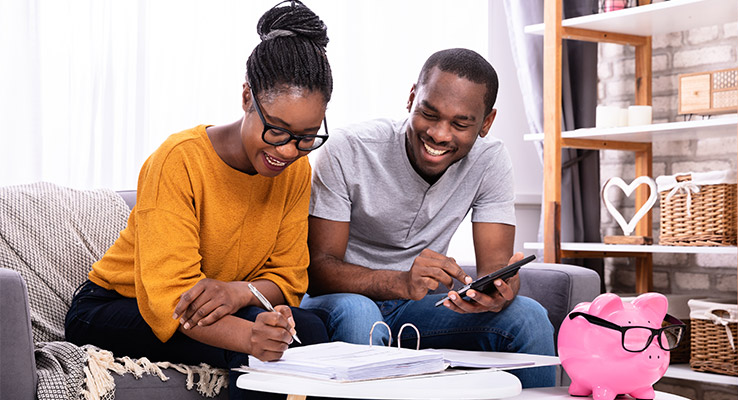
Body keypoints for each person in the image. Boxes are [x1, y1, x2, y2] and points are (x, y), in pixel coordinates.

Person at [64, 1, 333, 399]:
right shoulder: (179, 160)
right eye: (277, 130)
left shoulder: (295, 171)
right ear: (247, 98)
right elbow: (168, 301)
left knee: (311, 329)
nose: (290, 150)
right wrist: (250, 335)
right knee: (260, 349)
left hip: (222, 303)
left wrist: (237, 292)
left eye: (307, 137)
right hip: (117, 307)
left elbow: (291, 278)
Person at [301, 48, 556, 388]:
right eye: (429, 113)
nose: (438, 134)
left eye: (460, 123)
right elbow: (318, 270)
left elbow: (494, 270)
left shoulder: (490, 161)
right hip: (341, 301)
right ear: (411, 98)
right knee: (361, 314)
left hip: (416, 309)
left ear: (486, 123)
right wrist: (400, 281)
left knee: (529, 317)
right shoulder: (350, 148)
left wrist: (499, 290)